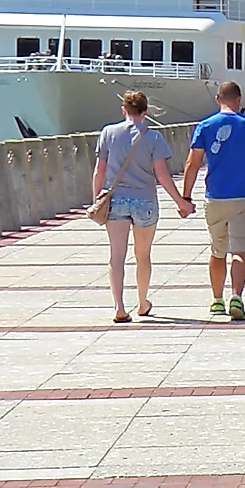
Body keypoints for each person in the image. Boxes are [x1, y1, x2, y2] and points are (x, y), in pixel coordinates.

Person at [91, 90, 191, 323]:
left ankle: (119, 306)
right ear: (145, 112)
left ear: (123, 110)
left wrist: (97, 199)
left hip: (115, 201)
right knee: (142, 255)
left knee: (117, 255)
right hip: (145, 201)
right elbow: (162, 175)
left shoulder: (108, 133)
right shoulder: (153, 138)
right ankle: (143, 301)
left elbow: (100, 170)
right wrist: (181, 202)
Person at [179, 81, 245, 322]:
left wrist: (185, 197)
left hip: (215, 197)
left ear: (218, 98)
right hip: (244, 196)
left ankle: (217, 300)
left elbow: (192, 164)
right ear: (239, 99)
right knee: (240, 250)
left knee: (217, 251)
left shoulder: (205, 126)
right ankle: (236, 296)